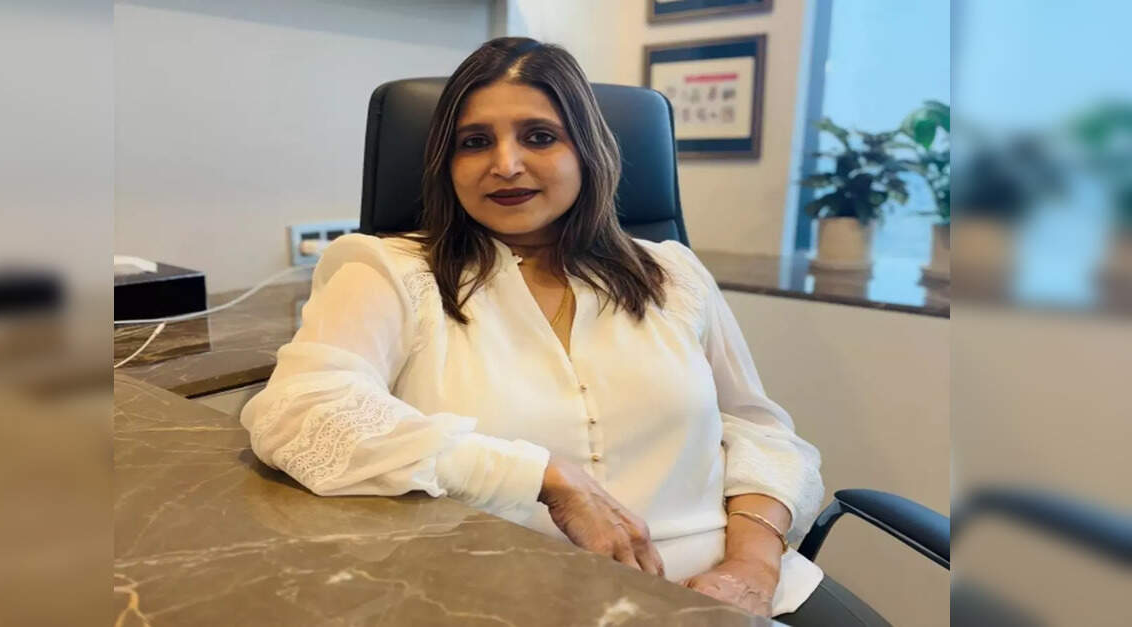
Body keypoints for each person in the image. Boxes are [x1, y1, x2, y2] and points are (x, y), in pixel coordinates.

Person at [241, 37, 824, 618]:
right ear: (446, 164)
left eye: (539, 136)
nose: (505, 164)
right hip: (504, 596)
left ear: (587, 150)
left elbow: (759, 431)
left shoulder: (672, 273)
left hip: (718, 592)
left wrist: (753, 567)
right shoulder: (389, 270)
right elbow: (299, 412)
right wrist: (542, 477)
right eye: (474, 142)